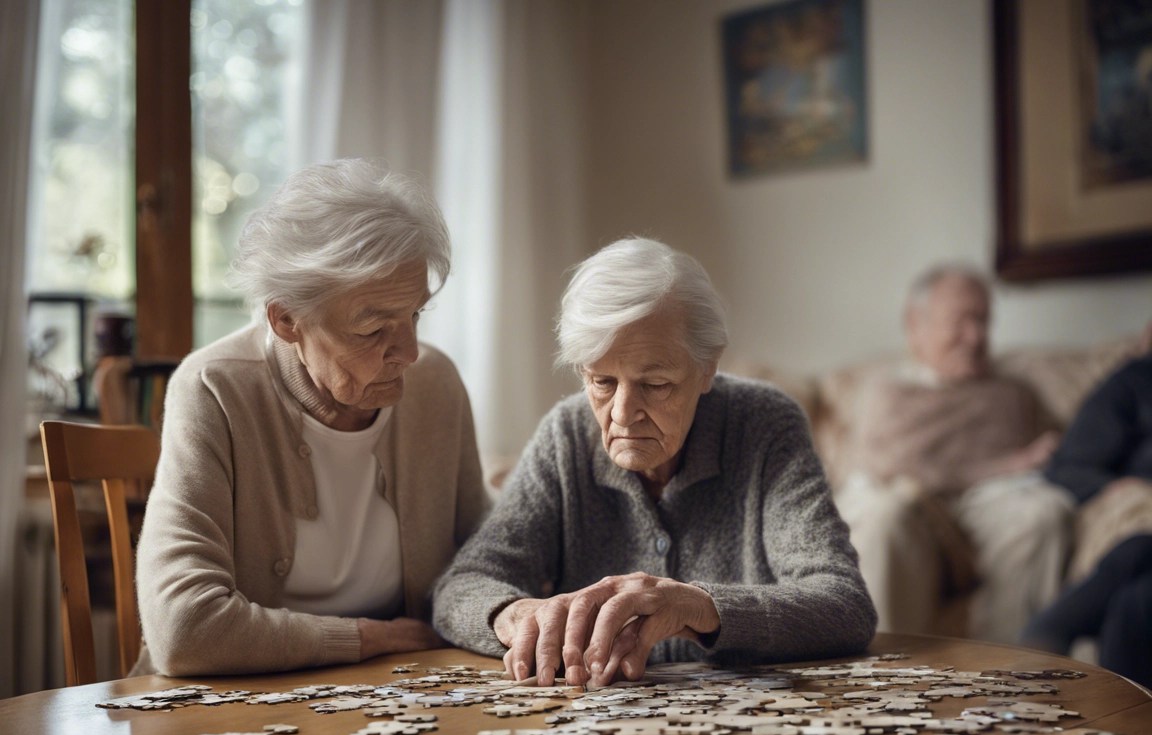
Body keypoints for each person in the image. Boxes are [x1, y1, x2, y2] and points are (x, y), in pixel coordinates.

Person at [432, 237, 877, 688]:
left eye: (656, 383)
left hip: (746, 728)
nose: (623, 413)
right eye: (602, 381)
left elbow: (843, 604)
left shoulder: (763, 424)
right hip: (593, 726)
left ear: (707, 369)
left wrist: (698, 606)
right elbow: (464, 585)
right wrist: (520, 616)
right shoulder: (566, 434)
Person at [134, 159, 490, 676]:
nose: (409, 352)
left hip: (399, 701)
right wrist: (367, 638)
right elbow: (185, 630)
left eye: (414, 314)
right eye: (373, 330)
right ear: (286, 320)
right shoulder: (214, 389)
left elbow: (483, 561)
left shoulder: (435, 386)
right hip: (223, 709)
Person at [835, 264, 1075, 643]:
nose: (976, 336)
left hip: (990, 504)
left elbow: (1057, 451)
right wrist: (1008, 463)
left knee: (1042, 515)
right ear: (916, 325)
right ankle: (887, 682)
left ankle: (1011, 678)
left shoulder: (1010, 393)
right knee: (884, 519)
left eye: (983, 321)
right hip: (913, 505)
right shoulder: (888, 393)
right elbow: (885, 466)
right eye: (961, 321)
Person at [1022, 342, 1152, 688]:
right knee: (1134, 560)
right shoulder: (1136, 381)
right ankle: (1038, 649)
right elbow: (1070, 466)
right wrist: (1117, 487)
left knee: (1134, 602)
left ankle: (1036, 650)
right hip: (1141, 515)